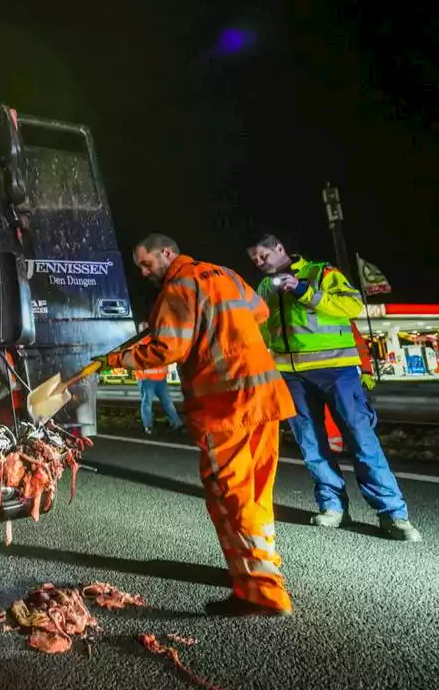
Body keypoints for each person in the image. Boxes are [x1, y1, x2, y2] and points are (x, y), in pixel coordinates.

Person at [102, 233, 295, 616]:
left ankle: (262, 593)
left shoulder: (178, 287)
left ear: (167, 253)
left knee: (231, 497)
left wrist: (116, 360)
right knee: (256, 491)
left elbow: (167, 348)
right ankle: (258, 567)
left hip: (225, 404)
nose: (143, 272)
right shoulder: (224, 274)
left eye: (147, 263)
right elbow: (259, 312)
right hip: (264, 395)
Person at [246, 234, 421, 542]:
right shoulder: (263, 288)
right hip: (290, 375)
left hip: (336, 370)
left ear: (279, 249)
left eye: (262, 256)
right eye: (254, 260)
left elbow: (352, 305)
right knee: (310, 443)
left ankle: (393, 514)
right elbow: (263, 330)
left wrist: (304, 291)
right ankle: (332, 507)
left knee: (361, 438)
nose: (259, 264)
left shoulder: (321, 272)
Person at [323, 322, 376, 454]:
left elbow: (359, 344)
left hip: (342, 372)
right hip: (340, 372)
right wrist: (366, 370)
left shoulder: (341, 315)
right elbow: (359, 345)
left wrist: (366, 371)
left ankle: (347, 443)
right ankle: (349, 444)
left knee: (350, 411)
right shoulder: (342, 315)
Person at [133, 321, 184, 435]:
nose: (147, 331)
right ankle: (149, 426)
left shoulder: (154, 342)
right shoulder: (139, 345)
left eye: (147, 328)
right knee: (149, 403)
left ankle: (175, 423)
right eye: (144, 329)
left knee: (165, 402)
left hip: (159, 379)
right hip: (147, 379)